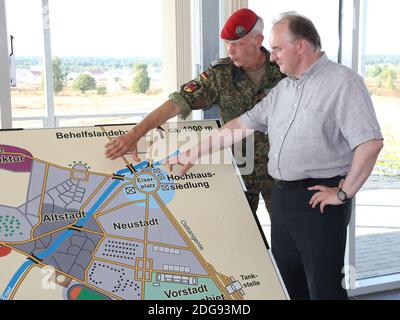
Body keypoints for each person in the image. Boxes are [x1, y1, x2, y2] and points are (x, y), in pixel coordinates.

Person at [167, 12, 384, 300]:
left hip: (317, 201)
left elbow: (370, 143)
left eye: (278, 49)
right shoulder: (284, 89)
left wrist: (343, 194)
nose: (272, 57)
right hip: (283, 200)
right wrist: (191, 154)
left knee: (323, 288)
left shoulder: (342, 83)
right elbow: (239, 126)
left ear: (301, 46)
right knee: (290, 284)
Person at [105, 8, 285, 215]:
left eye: (237, 43)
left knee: (288, 239)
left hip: (281, 173)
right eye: (227, 44)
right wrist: (135, 133)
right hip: (238, 172)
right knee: (237, 236)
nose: (230, 51)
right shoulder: (221, 74)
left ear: (257, 40)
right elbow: (177, 102)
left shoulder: (284, 70)